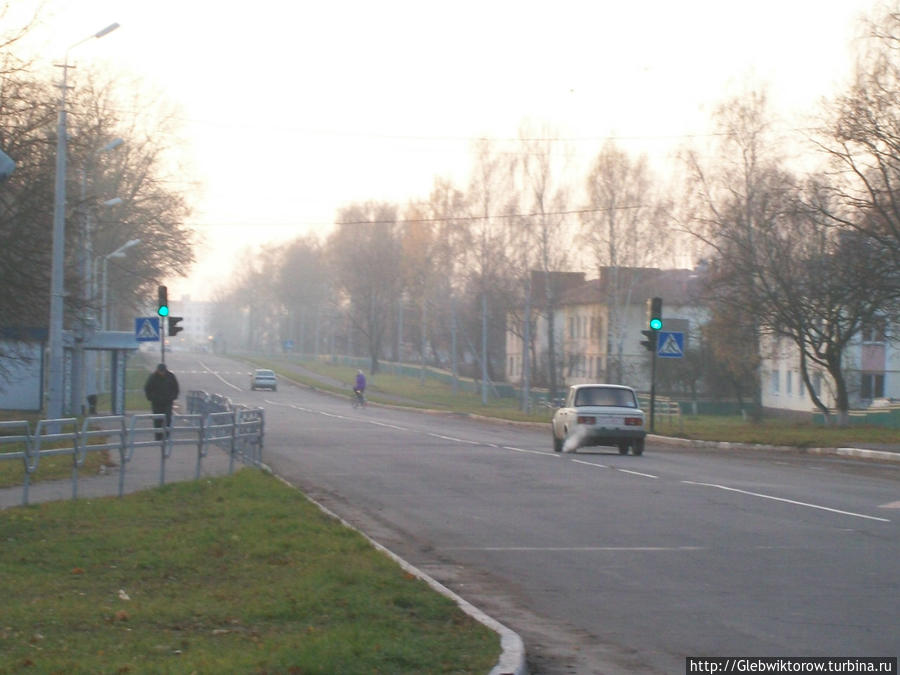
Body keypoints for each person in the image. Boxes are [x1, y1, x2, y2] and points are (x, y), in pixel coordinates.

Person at [144, 362, 179, 439]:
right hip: (156, 403)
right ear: (158, 370)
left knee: (168, 419)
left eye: (163, 371)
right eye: (160, 371)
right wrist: (151, 398)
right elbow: (147, 389)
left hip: (168, 402)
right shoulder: (153, 377)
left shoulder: (171, 376)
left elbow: (175, 388)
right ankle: (158, 437)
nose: (162, 373)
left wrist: (173, 397)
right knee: (157, 420)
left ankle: (167, 436)